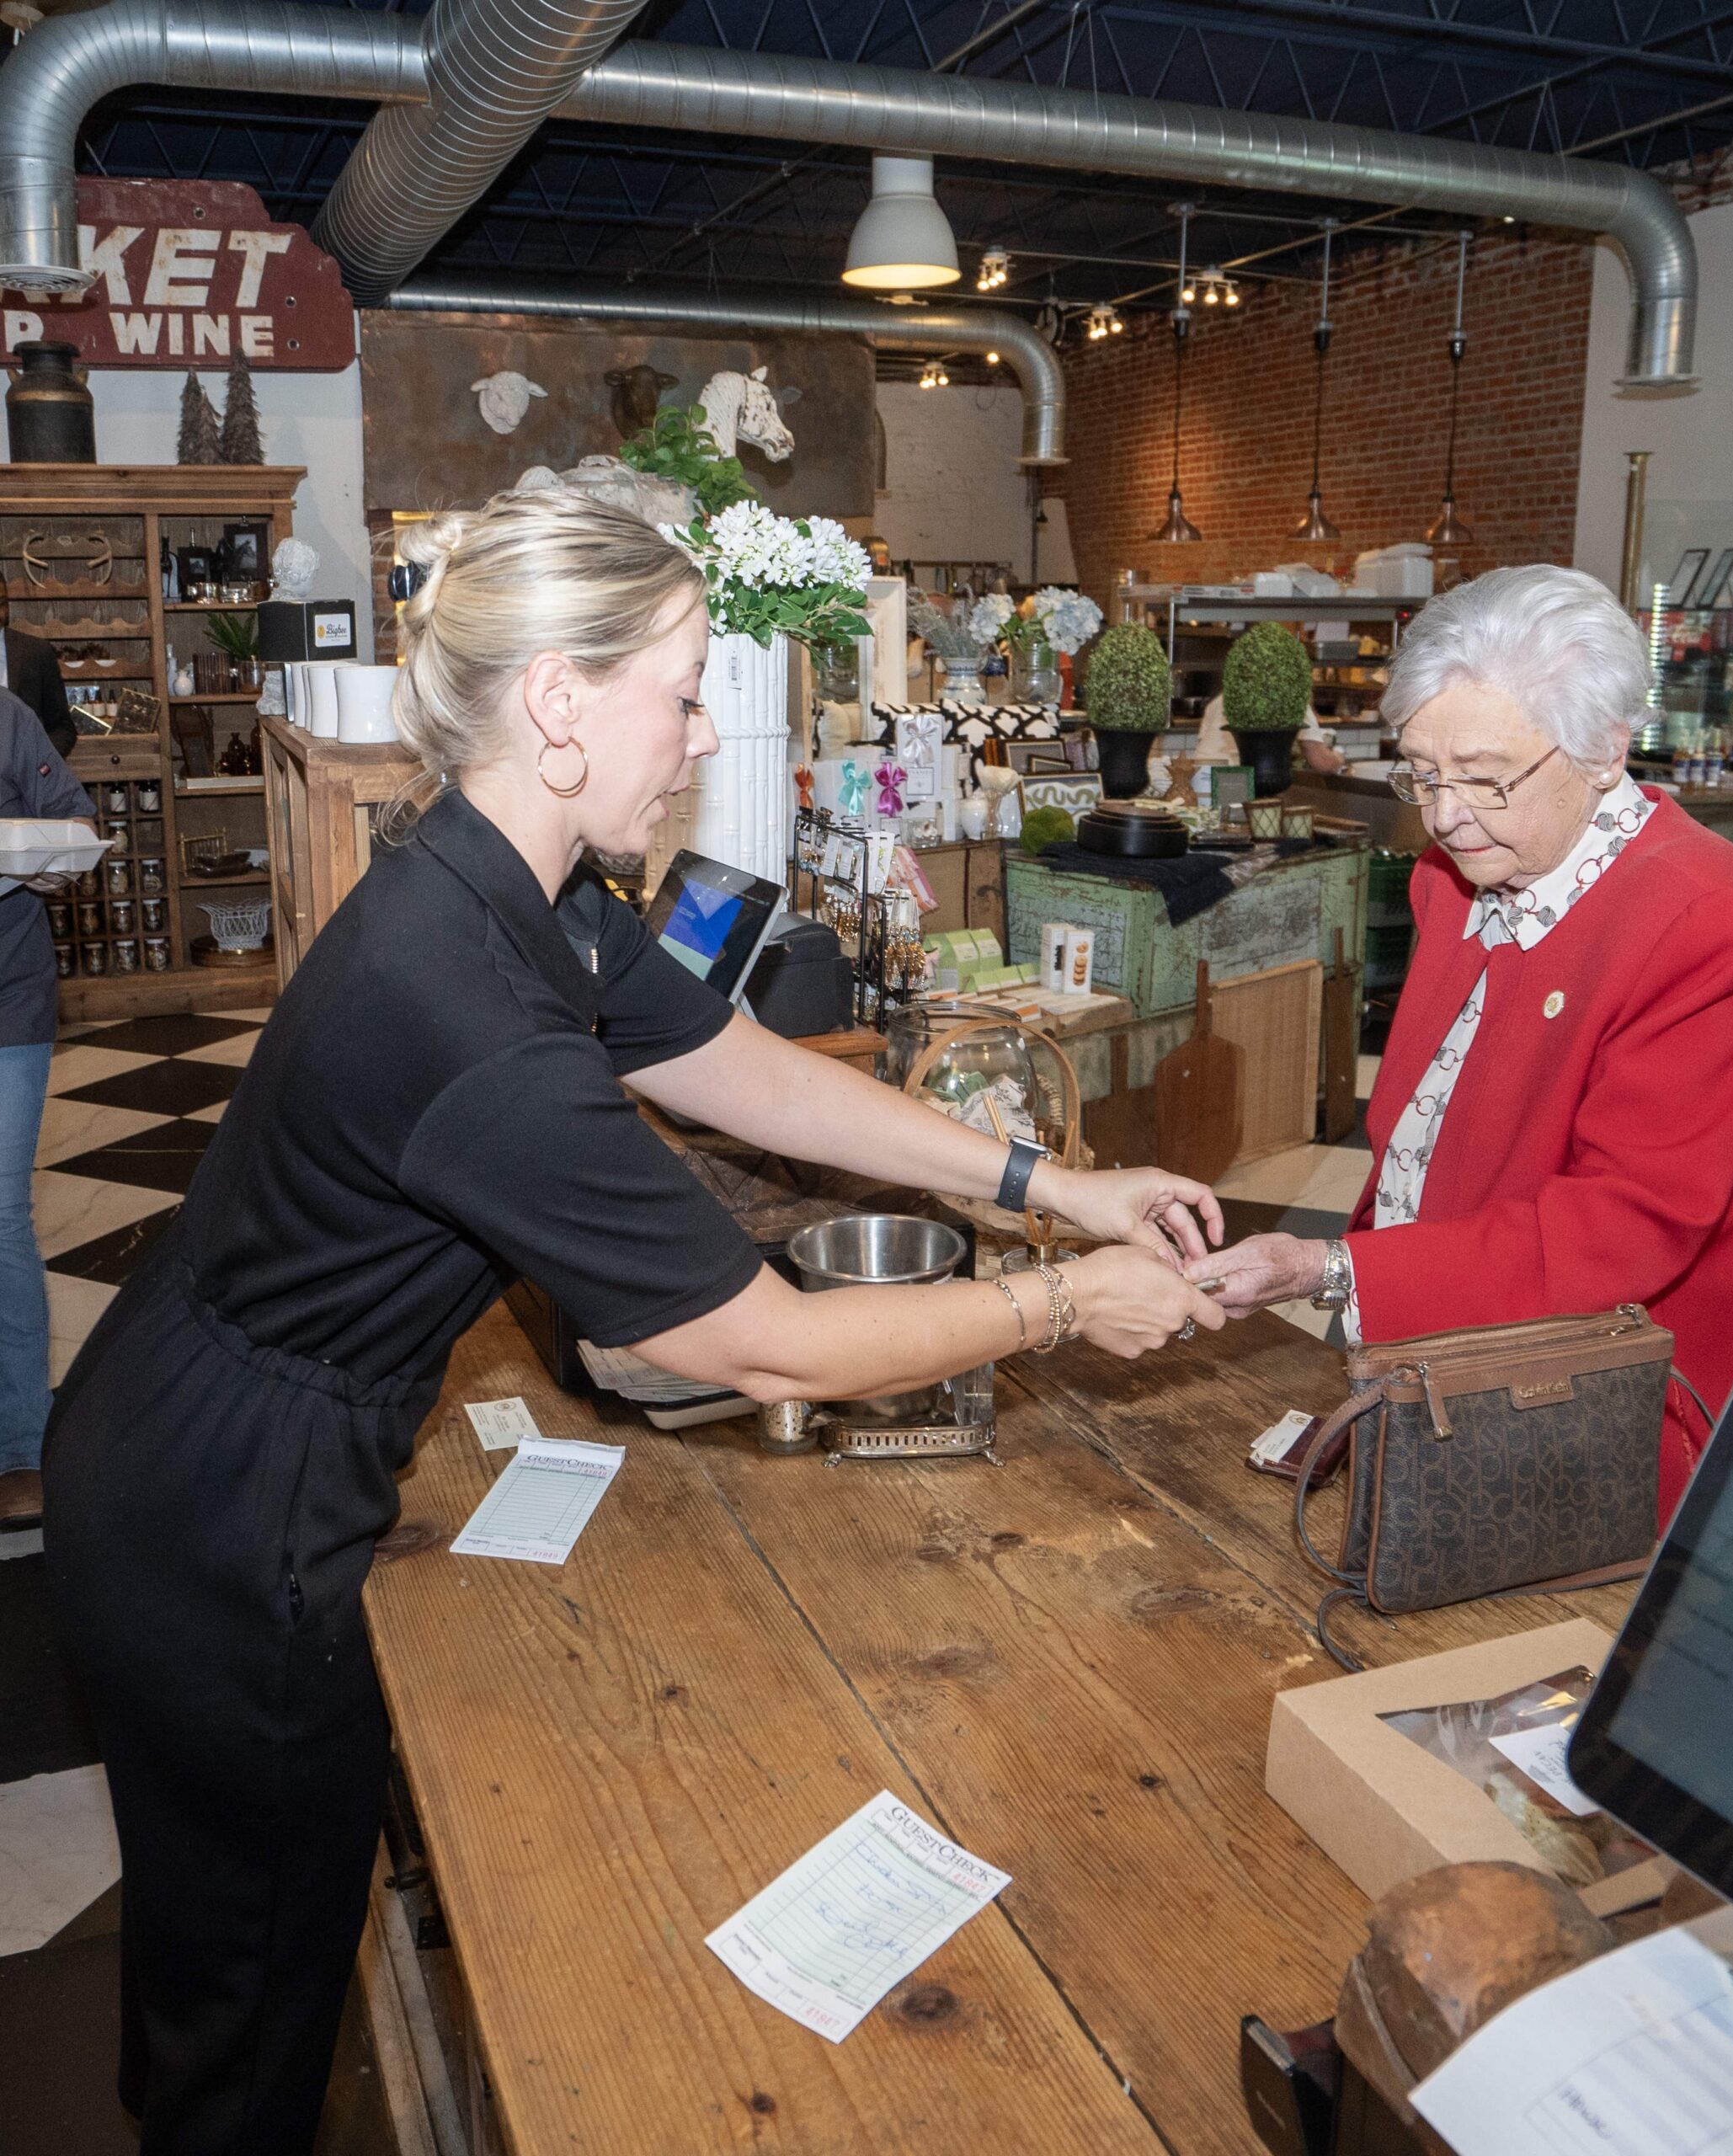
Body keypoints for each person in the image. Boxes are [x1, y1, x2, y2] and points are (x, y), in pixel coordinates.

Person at [41, 491, 1227, 2155]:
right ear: (556, 699)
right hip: (225, 1507)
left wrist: (1047, 1180)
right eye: (677, 686)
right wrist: (1058, 1298)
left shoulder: (518, 890)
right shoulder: (462, 1002)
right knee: (247, 2011)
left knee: (220, 1956)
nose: (691, 733)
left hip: (193, 1406)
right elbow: (767, 1344)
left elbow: (732, 1066)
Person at [1208, 564, 1733, 1521]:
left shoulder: (1704, 920)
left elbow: (1619, 1231)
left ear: (1605, 749)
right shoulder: (1455, 877)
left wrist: (1334, 1271)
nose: (1444, 814)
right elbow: (1418, 1151)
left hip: (1617, 1415)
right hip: (1454, 1362)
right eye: (1424, 773)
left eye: (1486, 779)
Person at [0, 688, 92, 1529]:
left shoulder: (8, 718)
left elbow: (75, 825)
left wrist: (40, 854)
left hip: (9, 1000)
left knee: (0, 1217)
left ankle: (21, 1446)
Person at [0, 590, 78, 756]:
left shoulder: (36, 652)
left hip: (23, 776)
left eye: (1, 603)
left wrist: (41, 763)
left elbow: (62, 727)